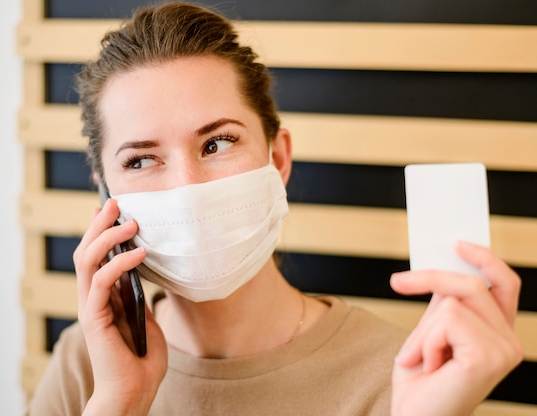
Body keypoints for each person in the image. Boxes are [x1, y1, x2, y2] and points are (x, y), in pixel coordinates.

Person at [25, 2, 523, 415]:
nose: (188, 187)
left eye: (217, 143)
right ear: (106, 196)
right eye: (141, 160)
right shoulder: (85, 364)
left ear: (277, 157)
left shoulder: (407, 375)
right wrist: (120, 400)